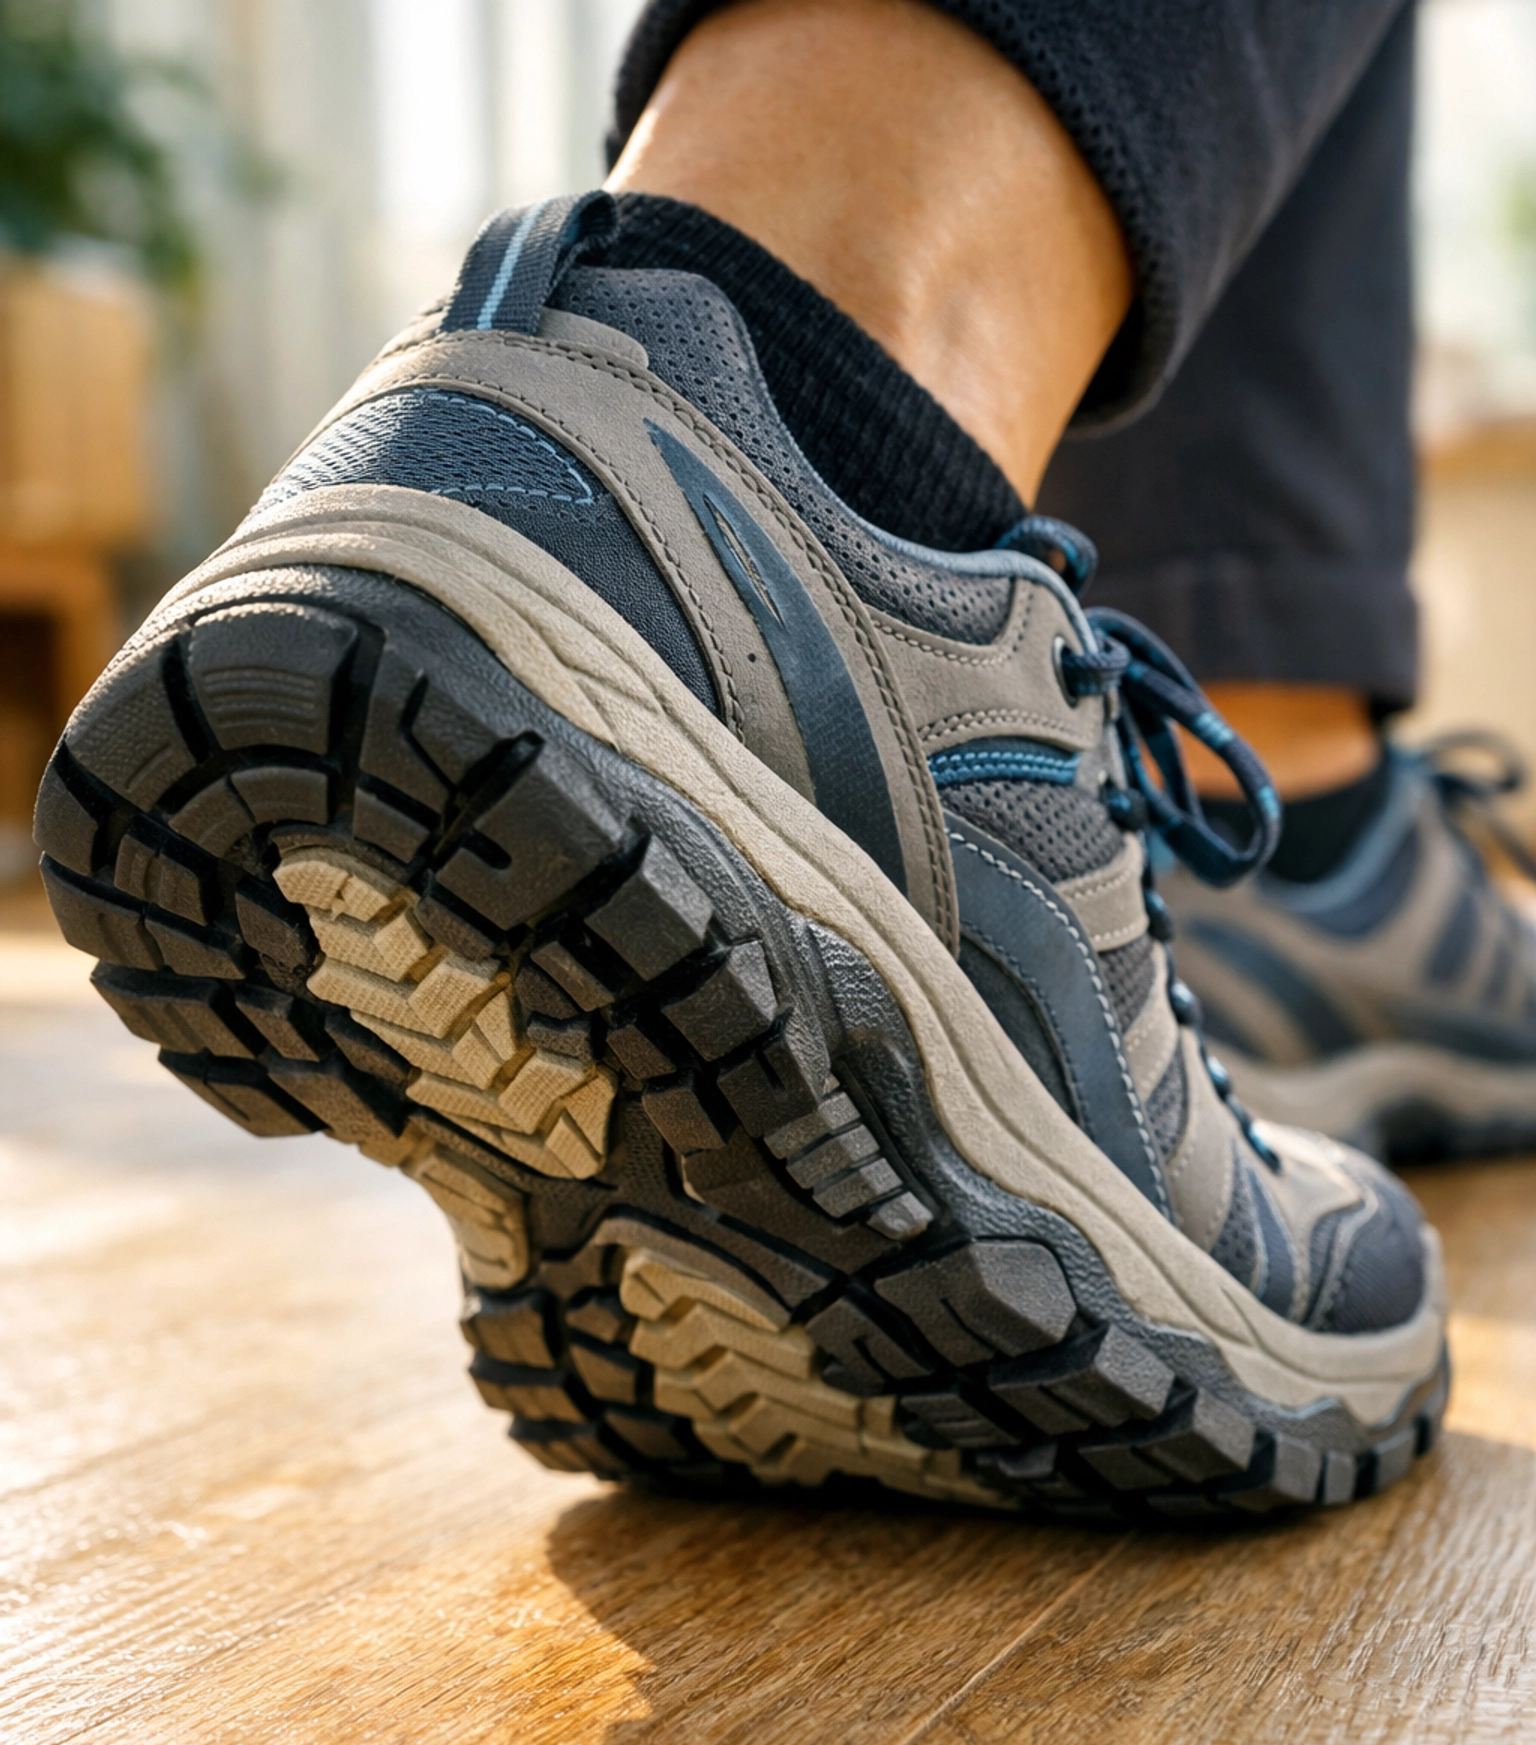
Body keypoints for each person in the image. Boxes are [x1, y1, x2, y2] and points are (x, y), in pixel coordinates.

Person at [34, 0, 1457, 1521]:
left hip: (545, 421)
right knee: (852, 329)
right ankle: (807, 369)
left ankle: (1300, 812)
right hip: (726, 501)